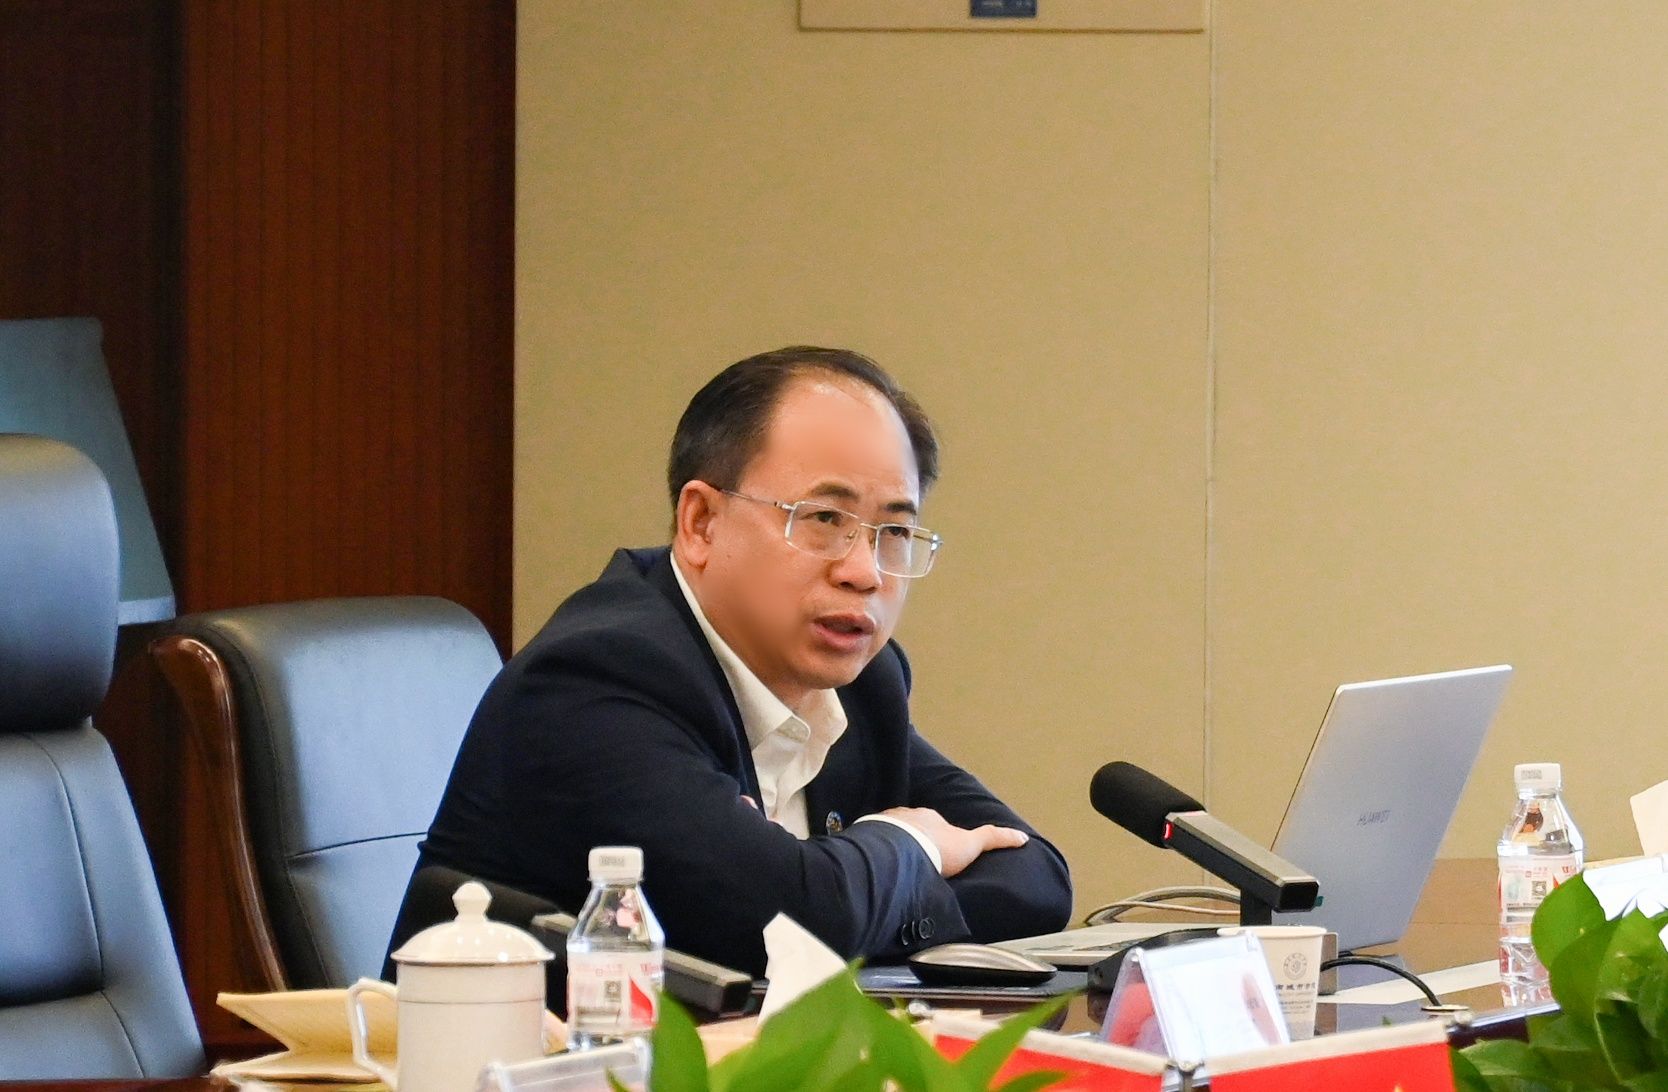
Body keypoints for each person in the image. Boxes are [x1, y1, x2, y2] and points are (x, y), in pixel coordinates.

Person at [408, 346, 1072, 975]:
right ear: (700, 522)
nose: (865, 573)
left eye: (894, 531)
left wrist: (851, 892)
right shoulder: (594, 680)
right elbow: (792, 923)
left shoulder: (859, 683)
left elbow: (1036, 879)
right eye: (824, 519)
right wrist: (913, 846)